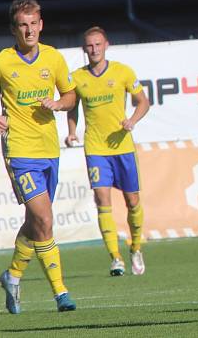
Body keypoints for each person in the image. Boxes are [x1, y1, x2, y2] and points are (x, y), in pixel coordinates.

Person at [0, 0, 77, 313]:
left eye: (34, 23)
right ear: (13, 29)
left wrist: (59, 105)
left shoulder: (54, 59)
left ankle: (13, 275)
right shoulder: (0, 63)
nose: (29, 30)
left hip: (49, 149)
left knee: (35, 222)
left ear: (41, 25)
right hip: (20, 151)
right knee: (45, 219)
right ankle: (61, 292)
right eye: (23, 24)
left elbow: (70, 94)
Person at [65, 26, 150, 276]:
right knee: (102, 199)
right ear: (84, 49)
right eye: (89, 46)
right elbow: (72, 107)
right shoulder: (77, 77)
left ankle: (135, 247)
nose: (94, 49)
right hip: (96, 148)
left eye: (98, 44)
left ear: (106, 45)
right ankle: (115, 258)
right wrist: (72, 130)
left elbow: (143, 101)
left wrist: (132, 120)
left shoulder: (122, 72)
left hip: (122, 146)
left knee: (132, 202)